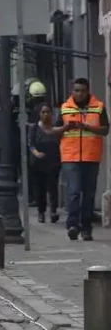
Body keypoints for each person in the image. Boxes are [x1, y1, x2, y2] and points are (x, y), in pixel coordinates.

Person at [54, 78, 107, 241]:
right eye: (76, 90)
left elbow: (105, 130)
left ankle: (86, 228)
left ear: (88, 91)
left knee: (89, 194)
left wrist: (88, 127)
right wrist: (65, 128)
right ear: (72, 91)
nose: (79, 93)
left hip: (91, 156)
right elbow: (54, 130)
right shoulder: (64, 108)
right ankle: (73, 225)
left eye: (82, 90)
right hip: (70, 156)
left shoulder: (98, 107)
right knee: (74, 192)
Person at [28, 103, 61, 224]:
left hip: (53, 160)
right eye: (43, 112)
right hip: (38, 162)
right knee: (40, 188)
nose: (46, 114)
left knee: (53, 187)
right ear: (39, 114)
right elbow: (30, 144)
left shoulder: (56, 127)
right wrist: (36, 153)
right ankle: (41, 211)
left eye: (48, 112)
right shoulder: (34, 128)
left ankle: (53, 211)